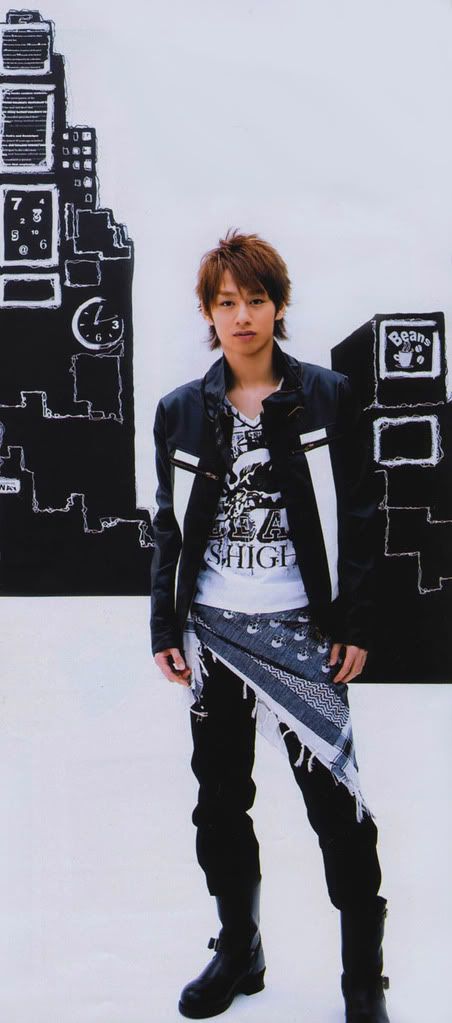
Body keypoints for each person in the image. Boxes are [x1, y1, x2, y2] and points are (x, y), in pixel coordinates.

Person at [151, 230, 390, 1022]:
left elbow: (361, 515)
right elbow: (169, 527)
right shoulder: (181, 411)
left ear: (279, 305)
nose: (243, 315)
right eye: (227, 302)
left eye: (256, 299)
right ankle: (239, 949)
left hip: (303, 635)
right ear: (208, 312)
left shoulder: (327, 396)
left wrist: (355, 621)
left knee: (338, 812)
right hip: (215, 633)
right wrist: (165, 627)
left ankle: (364, 981)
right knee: (220, 804)